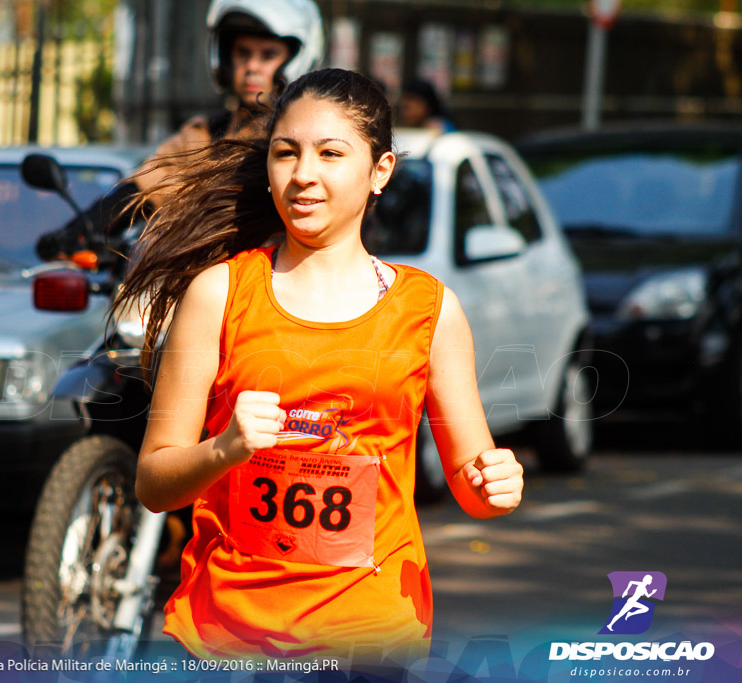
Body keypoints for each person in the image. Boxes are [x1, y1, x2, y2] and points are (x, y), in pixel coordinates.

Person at [112, 68, 523, 663]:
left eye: (331, 153)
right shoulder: (218, 293)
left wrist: (495, 487)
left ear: (379, 171)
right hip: (225, 642)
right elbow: (153, 482)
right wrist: (223, 449)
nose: (304, 174)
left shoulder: (429, 308)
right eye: (286, 153)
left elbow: (471, 479)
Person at [34, 0, 324, 262]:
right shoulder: (207, 133)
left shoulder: (307, 133)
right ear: (224, 58)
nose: (251, 67)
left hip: (283, 276)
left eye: (268, 55)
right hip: (207, 277)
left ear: (295, 57)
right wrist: (79, 231)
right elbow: (147, 186)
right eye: (242, 53)